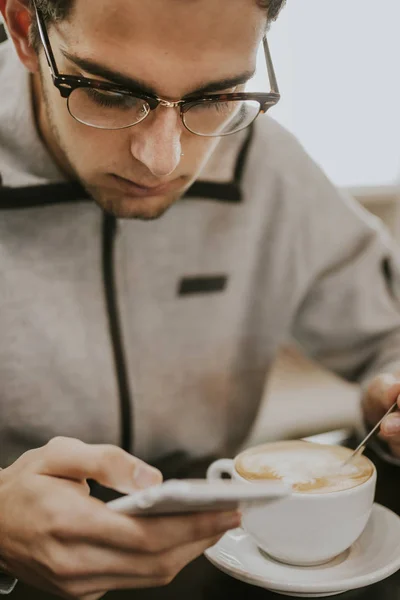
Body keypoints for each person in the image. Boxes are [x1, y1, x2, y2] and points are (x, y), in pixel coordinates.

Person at [0, 0, 399, 597]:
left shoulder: (266, 164)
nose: (163, 160)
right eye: (109, 93)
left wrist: (387, 390)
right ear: (27, 31)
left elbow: (390, 333)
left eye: (214, 97)